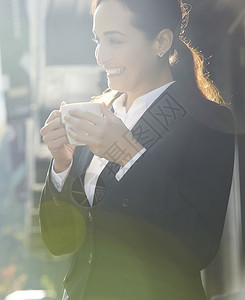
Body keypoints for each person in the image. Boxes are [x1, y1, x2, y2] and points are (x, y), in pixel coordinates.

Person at [39, 0, 235, 299]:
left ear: (161, 41)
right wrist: (62, 165)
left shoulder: (206, 120)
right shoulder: (100, 115)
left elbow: (198, 248)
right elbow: (60, 242)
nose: (101, 56)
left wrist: (128, 155)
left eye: (114, 40)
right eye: (98, 40)